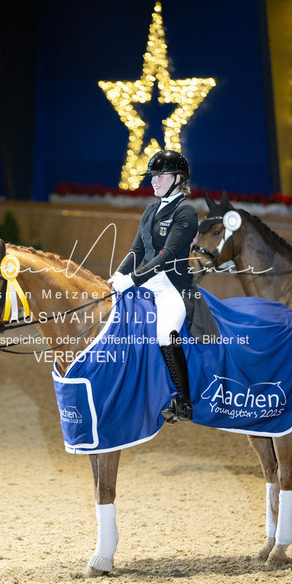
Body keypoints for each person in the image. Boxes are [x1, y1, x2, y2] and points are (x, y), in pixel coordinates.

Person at [109, 149, 219, 423]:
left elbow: (168, 255)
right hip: (148, 280)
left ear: (178, 179)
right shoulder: (150, 210)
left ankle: (184, 402)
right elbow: (136, 250)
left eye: (161, 176)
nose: (154, 181)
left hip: (173, 286)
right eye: (153, 176)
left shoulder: (186, 212)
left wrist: (132, 280)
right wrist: (117, 276)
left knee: (165, 334)